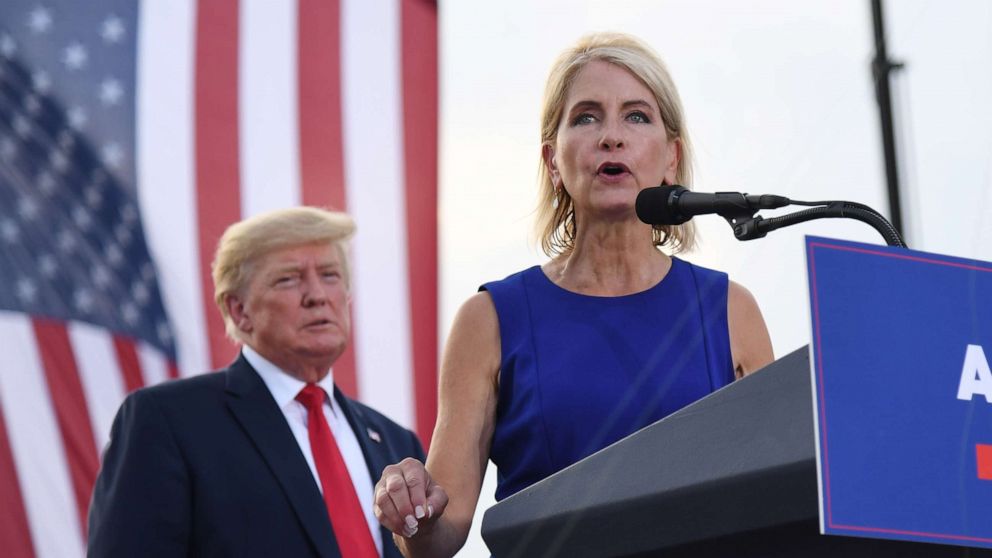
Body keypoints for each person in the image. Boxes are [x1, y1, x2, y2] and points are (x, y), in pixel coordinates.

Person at [372, 32, 774, 556]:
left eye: (636, 116)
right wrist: (414, 510)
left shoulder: (730, 310)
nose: (612, 136)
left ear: (671, 157)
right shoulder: (489, 319)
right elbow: (437, 540)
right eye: (586, 117)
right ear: (553, 161)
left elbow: (775, 493)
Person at [88, 207, 425, 557]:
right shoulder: (168, 421)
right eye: (288, 279)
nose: (317, 295)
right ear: (239, 311)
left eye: (330, 275)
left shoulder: (397, 443)